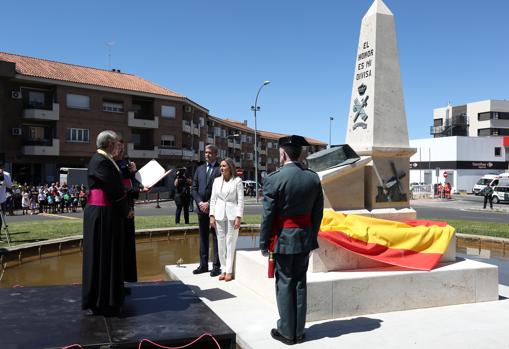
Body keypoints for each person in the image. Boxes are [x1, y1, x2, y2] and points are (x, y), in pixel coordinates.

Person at [259, 135, 324, 345]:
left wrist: (263, 242)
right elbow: (317, 214)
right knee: (299, 284)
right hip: (304, 238)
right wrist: (311, 236)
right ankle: (299, 331)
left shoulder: (273, 178)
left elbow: (268, 216)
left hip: (283, 239)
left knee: (285, 283)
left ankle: (287, 332)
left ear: (283, 153)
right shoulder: (313, 178)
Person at [82, 130, 129, 316]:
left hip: (107, 212)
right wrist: (126, 209)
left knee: (108, 256)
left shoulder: (107, 160)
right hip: (101, 213)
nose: (119, 145)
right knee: (100, 256)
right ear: (110, 144)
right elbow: (115, 190)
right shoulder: (100, 160)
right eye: (117, 142)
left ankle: (108, 297)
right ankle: (100, 300)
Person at [209, 158, 244, 282]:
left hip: (232, 215)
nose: (221, 168)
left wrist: (238, 217)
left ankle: (229, 271)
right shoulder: (216, 181)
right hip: (218, 215)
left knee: (230, 242)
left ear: (230, 167)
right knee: (221, 243)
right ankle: (223, 269)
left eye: (224, 166)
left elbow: (240, 201)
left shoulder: (237, 181)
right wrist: (211, 215)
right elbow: (213, 199)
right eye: (221, 166)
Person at [113, 140, 142, 289]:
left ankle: (123, 281)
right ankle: (115, 283)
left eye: (123, 150)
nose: (122, 152)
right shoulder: (109, 164)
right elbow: (117, 188)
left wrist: (134, 173)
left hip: (129, 208)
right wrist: (136, 189)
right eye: (119, 149)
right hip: (116, 211)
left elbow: (135, 184)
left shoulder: (126, 164)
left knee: (127, 246)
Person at [191, 144, 222, 277]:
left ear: (215, 154)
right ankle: (203, 265)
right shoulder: (199, 169)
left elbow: (221, 189)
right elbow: (194, 188)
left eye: (210, 153)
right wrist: (200, 203)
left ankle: (216, 266)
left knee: (216, 237)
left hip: (214, 209)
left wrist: (209, 203)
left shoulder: (220, 169)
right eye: (205, 153)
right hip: (201, 209)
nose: (207, 155)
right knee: (203, 237)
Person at [0, 163, 13, 232]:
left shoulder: (7, 174)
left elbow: (9, 185)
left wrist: (3, 176)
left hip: (2, 199)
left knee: (1, 217)